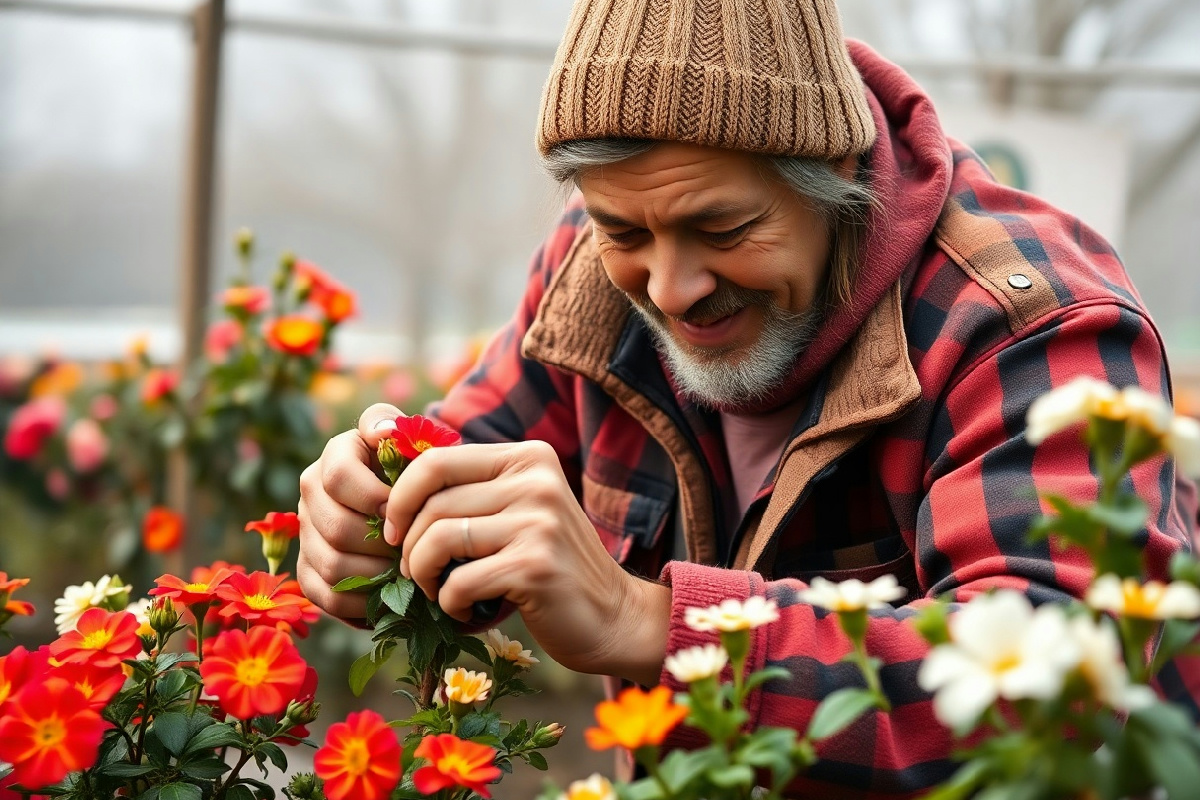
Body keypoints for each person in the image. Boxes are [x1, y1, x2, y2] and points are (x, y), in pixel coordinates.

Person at [296, 0, 1198, 795]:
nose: (671, 287)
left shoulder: (1031, 325)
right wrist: (386, 508)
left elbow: (1054, 695)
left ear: (836, 172)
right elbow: (475, 448)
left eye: (723, 228)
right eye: (622, 231)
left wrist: (642, 620)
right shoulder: (599, 262)